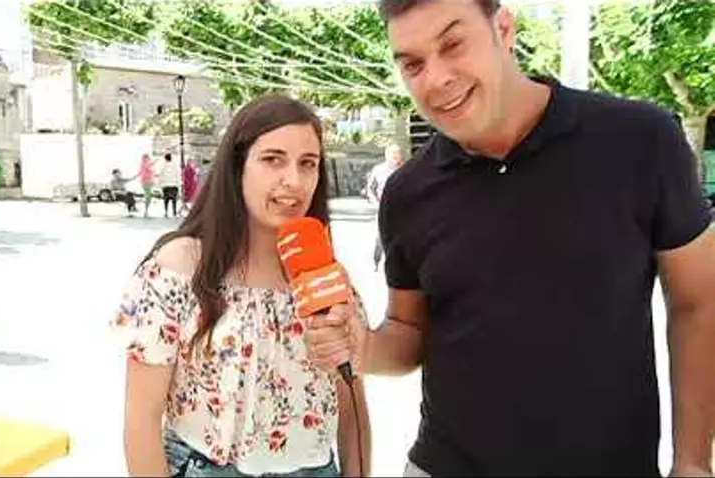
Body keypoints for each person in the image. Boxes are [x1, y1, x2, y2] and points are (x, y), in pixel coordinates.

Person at [304, 1, 715, 477]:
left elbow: (697, 301)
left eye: (453, 44)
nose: (435, 79)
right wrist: (363, 347)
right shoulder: (406, 192)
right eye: (412, 64)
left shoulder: (640, 140)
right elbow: (409, 330)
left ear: (503, 29)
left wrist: (692, 462)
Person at [113, 94, 371, 477]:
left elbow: (353, 410)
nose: (294, 180)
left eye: (308, 163)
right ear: (237, 167)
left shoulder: (327, 278)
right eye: (273, 159)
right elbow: (141, 422)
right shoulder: (179, 268)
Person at [364, 143, 403, 271]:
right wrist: (375, 203)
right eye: (394, 154)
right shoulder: (378, 170)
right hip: (383, 208)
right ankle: (376, 261)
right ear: (387, 156)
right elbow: (370, 189)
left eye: (398, 154)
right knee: (381, 236)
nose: (397, 157)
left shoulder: (405, 169)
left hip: (401, 208)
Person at [157, 153, 181, 218]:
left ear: (165, 159)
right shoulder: (175, 165)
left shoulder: (163, 166)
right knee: (174, 200)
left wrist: (159, 184)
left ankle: (166, 212)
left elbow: (160, 175)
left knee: (166, 199)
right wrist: (178, 184)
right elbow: (177, 175)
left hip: (165, 185)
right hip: (174, 184)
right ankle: (174, 212)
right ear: (171, 158)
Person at [139, 153, 156, 218]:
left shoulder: (144, 164)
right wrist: (156, 160)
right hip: (146, 182)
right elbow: (150, 165)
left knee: (148, 197)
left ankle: (146, 212)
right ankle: (145, 212)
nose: (147, 159)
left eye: (147, 158)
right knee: (148, 197)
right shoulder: (145, 164)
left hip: (147, 182)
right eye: (146, 158)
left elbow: (142, 173)